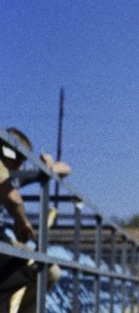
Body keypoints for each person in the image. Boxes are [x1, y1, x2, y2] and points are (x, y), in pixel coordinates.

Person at [0, 128, 71, 313]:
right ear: (6, 151)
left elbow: (66, 169)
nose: (21, 167)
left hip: (3, 241)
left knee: (47, 269)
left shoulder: (13, 176)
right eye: (19, 160)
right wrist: (21, 221)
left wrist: (47, 167)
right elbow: (13, 199)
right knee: (43, 270)